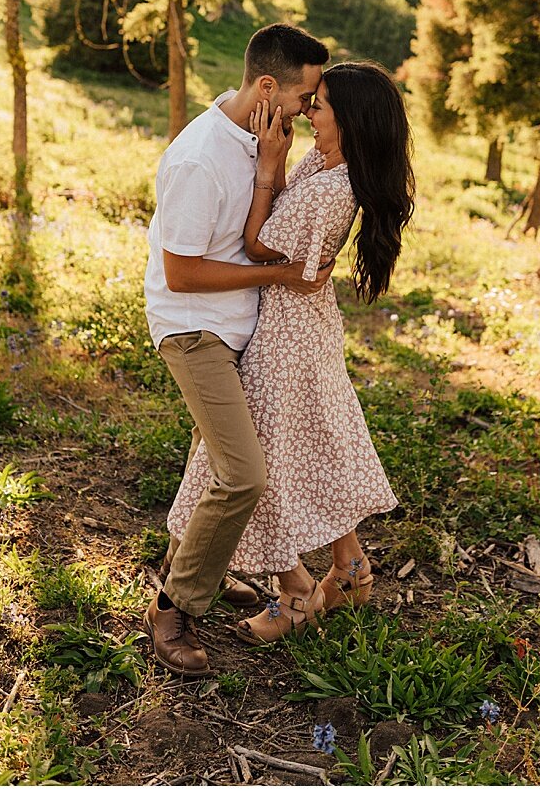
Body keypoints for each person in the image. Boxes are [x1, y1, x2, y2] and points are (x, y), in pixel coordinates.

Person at [167, 61, 412, 645]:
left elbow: (258, 247)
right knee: (317, 443)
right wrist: (281, 169)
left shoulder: (332, 188)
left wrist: (266, 171)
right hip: (300, 323)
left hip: (286, 335)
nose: (308, 112)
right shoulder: (326, 163)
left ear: (347, 122)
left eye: (319, 106)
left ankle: (294, 592)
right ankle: (348, 568)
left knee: (268, 462)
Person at [142, 23, 332, 679]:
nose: (309, 111)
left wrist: (272, 173)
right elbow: (182, 275)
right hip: (195, 330)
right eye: (304, 98)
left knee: (220, 460)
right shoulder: (201, 159)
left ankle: (199, 564)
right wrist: (278, 277)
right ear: (267, 86)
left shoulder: (260, 140)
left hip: (240, 328)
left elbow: (260, 230)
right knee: (244, 474)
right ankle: (174, 607)